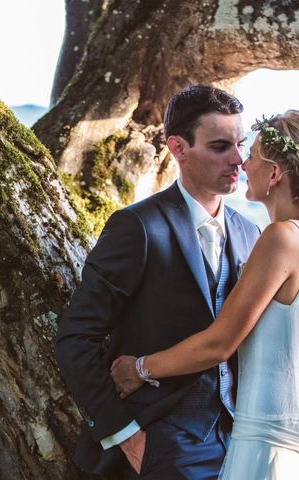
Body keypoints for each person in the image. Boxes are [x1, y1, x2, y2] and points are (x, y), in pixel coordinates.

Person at [111, 110, 299, 479]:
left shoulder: (282, 238)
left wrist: (139, 368)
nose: (242, 163)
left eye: (252, 155)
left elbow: (219, 343)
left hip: (274, 440)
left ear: (275, 173)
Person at [55, 84, 260, 478]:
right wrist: (126, 438)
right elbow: (75, 338)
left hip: (240, 442)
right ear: (178, 148)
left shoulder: (251, 234)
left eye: (241, 144)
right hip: (159, 440)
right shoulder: (138, 227)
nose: (238, 159)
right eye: (220, 146)